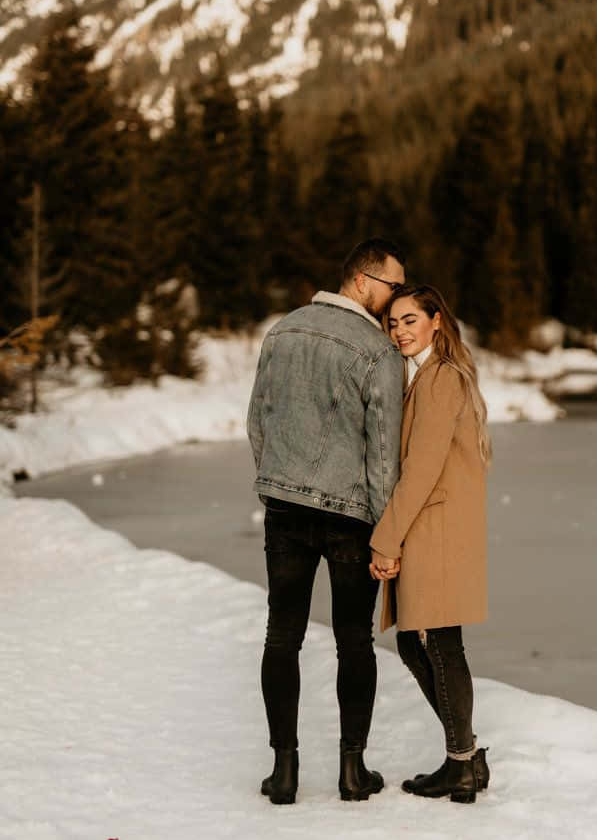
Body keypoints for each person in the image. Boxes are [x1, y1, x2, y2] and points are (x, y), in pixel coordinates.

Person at [247, 238, 406, 804]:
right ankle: (352, 771)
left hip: (285, 507)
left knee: (281, 636)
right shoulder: (378, 352)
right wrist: (387, 530)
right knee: (353, 642)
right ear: (363, 280)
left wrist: (276, 482)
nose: (397, 298)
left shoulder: (283, 331)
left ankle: (284, 772)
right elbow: (382, 454)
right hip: (350, 516)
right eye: (392, 286)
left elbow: (257, 422)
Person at [370, 283, 490, 804]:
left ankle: (461, 764)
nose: (399, 331)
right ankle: (465, 756)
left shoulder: (440, 378)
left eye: (409, 320)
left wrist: (385, 539)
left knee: (437, 644)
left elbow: (420, 470)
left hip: (434, 528)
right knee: (429, 643)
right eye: (393, 323)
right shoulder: (426, 375)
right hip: (436, 525)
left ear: (436, 320)